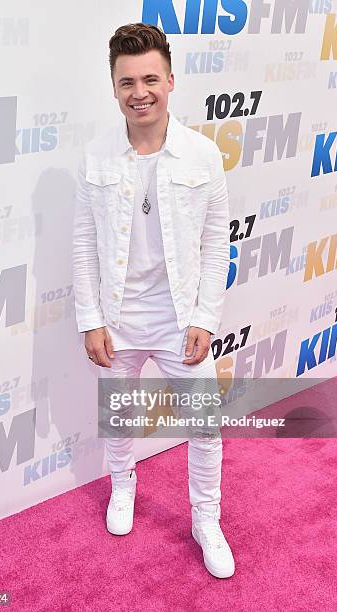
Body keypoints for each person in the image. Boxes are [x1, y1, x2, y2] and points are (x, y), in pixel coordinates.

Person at [72, 22, 234, 579]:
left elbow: (216, 246)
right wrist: (91, 320)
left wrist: (205, 319)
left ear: (170, 80)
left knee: (206, 425)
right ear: (113, 89)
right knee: (119, 419)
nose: (139, 91)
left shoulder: (203, 156)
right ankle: (123, 487)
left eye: (149, 78)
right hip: (117, 322)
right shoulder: (95, 157)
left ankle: (206, 519)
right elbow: (84, 245)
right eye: (126, 82)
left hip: (180, 322)